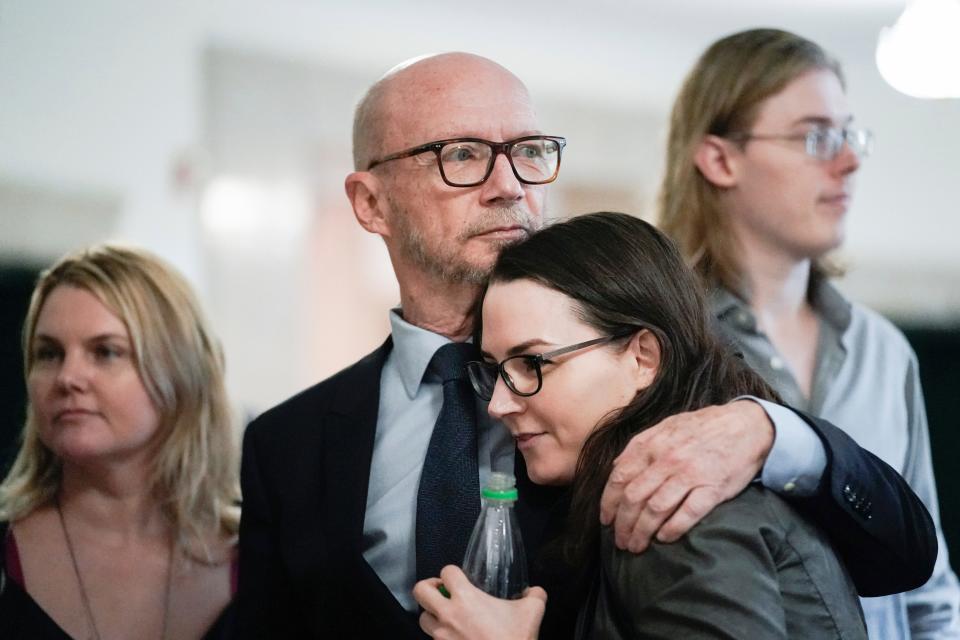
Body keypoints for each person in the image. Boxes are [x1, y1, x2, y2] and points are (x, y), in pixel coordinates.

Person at [237, 52, 935, 639]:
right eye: (463, 156)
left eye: (529, 152)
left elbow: (900, 557)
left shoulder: (662, 370)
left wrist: (770, 429)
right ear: (370, 203)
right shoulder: (287, 444)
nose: (509, 185)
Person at [414, 211, 868, 639]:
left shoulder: (675, 505)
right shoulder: (641, 484)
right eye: (495, 369)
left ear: (643, 358)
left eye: (532, 363)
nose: (498, 403)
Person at [658, 28, 960, 638]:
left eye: (849, 135)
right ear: (720, 159)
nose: (848, 160)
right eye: (816, 137)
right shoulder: (658, 343)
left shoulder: (883, 350)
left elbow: (930, 593)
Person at [0, 245, 240, 639]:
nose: (68, 377)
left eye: (105, 352)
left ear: (179, 372)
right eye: (49, 354)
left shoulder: (268, 559)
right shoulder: (9, 554)